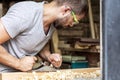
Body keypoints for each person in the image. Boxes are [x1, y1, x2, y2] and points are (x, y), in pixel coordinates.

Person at [0, 0, 88, 72]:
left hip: (21, 73)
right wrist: (18, 63)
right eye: (74, 20)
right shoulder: (25, 13)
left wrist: (48, 56)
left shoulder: (53, 23)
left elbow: (38, 40)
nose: (72, 24)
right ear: (66, 11)